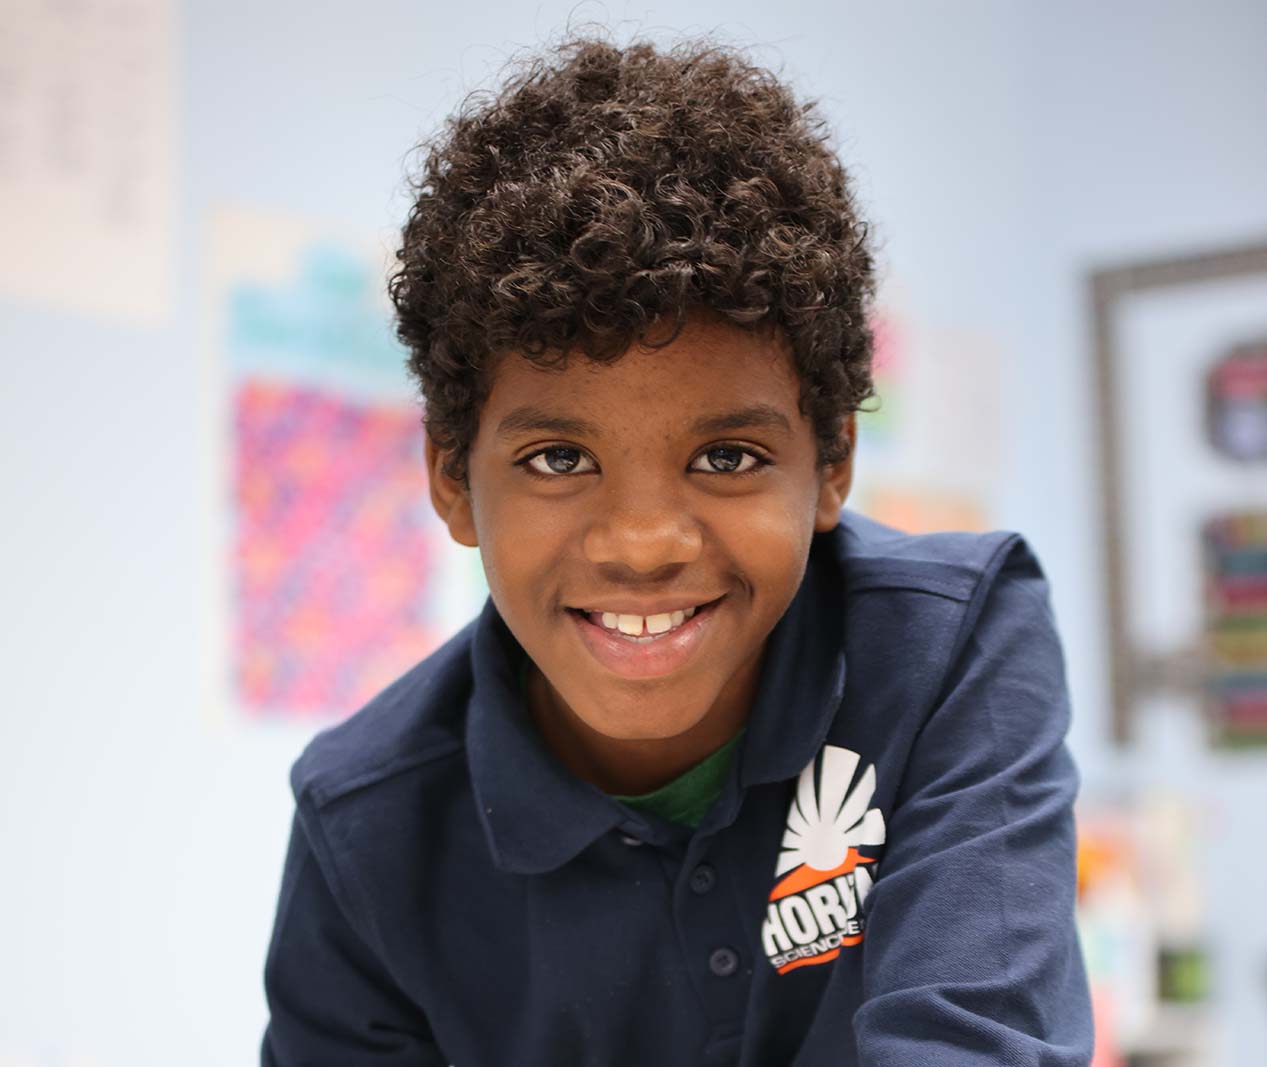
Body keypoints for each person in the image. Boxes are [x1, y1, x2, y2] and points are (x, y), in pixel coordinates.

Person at [260, 31, 1094, 1066]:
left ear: (832, 460)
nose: (643, 544)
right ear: (451, 480)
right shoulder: (366, 825)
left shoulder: (946, 650)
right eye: (559, 458)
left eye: (727, 456)